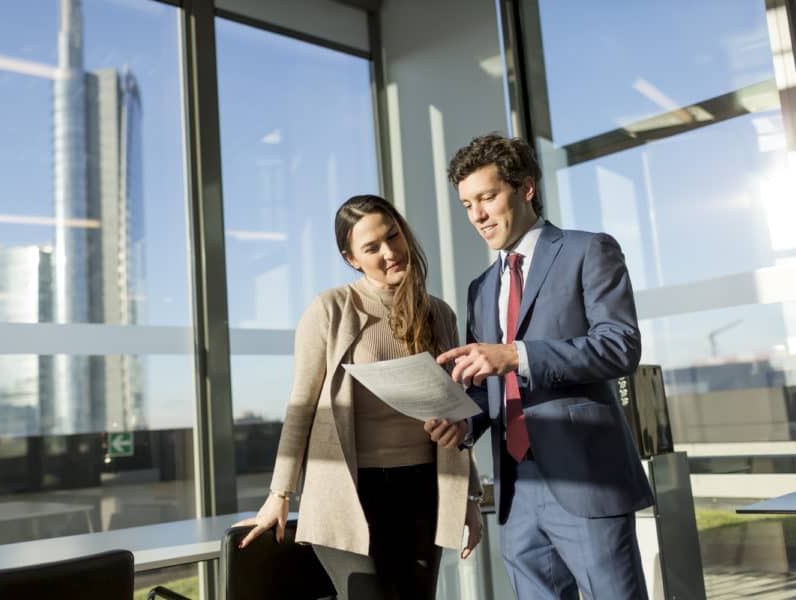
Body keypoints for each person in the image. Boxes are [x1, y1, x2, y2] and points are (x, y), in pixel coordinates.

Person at [426, 133, 654, 599]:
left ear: (525, 188)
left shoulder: (588, 250)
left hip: (586, 481)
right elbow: (484, 387)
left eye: (487, 197)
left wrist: (515, 355)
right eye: (468, 204)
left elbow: (620, 346)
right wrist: (461, 424)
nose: (478, 216)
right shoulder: (481, 288)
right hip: (515, 493)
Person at [236, 194, 483, 600]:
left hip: (423, 491)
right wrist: (279, 494)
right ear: (352, 258)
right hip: (348, 492)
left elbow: (453, 413)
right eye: (372, 247)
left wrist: (469, 498)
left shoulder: (439, 315)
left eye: (394, 236)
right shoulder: (330, 310)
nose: (389, 252)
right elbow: (301, 407)